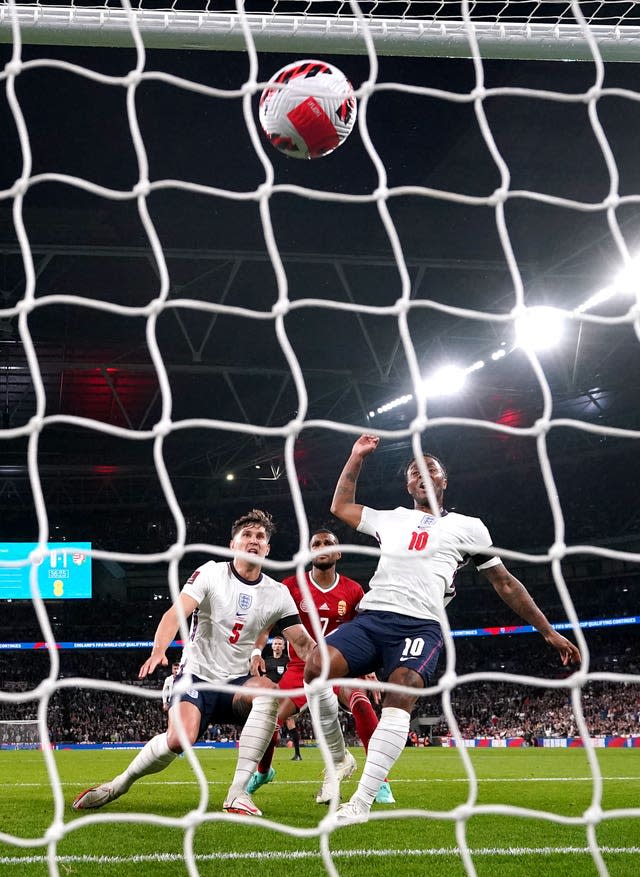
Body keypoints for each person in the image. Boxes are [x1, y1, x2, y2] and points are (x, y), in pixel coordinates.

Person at [304, 435, 581, 824]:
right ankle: (338, 758)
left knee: (401, 692)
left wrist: (548, 631)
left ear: (444, 480)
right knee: (316, 667)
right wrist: (355, 457)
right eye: (414, 472)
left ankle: (360, 804)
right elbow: (340, 506)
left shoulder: (470, 528)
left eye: (430, 468)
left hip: (421, 625)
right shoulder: (391, 517)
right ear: (408, 486)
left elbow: (505, 583)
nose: (422, 474)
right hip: (373, 618)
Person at [72, 509, 315, 818]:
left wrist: (340, 667)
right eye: (247, 536)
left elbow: (304, 643)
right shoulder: (212, 573)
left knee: (269, 693)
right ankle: (119, 784)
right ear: (233, 544)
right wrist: (159, 650)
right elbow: (174, 614)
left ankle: (237, 793)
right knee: (179, 740)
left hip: (237, 683)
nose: (254, 541)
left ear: (267, 549)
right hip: (197, 675)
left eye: (260, 537)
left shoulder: (278, 593)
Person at [246, 529, 395, 805]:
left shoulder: (353, 590)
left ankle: (380, 782)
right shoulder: (291, 586)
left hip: (341, 664)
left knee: (361, 703)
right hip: (299, 666)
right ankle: (264, 771)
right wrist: (257, 650)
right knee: (268, 720)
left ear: (338, 553)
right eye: (316, 543)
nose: (322, 547)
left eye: (329, 543)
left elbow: (364, 630)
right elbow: (267, 623)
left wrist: (370, 664)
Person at [260, 634, 303, 761]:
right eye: (275, 644)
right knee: (268, 722)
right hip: (271, 695)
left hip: (285, 694)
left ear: (283, 647)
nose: (277, 646)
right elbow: (263, 678)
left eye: (280, 644)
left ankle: (298, 754)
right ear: (272, 646)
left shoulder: (288, 661)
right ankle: (265, 753)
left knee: (289, 721)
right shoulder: (266, 661)